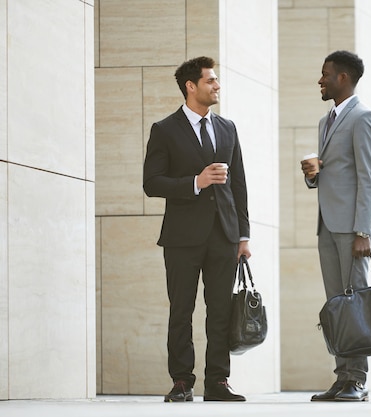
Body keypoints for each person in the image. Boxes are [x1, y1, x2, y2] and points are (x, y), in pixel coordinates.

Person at [143, 56, 251, 403]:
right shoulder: (165, 130)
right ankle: (182, 381)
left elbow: (239, 186)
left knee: (220, 310)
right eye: (210, 81)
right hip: (182, 237)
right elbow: (151, 182)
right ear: (191, 86)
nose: (217, 85)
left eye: (216, 80)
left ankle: (218, 382)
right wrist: (195, 182)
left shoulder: (227, 128)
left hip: (224, 234)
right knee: (181, 310)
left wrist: (243, 236)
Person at [301, 50, 371, 402]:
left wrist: (363, 231)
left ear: (343, 78)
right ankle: (342, 375)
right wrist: (313, 175)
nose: (320, 80)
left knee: (356, 304)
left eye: (325, 74)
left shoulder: (364, 117)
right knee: (337, 305)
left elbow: (369, 179)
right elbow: (336, 173)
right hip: (326, 225)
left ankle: (358, 379)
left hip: (352, 229)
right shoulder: (325, 122)